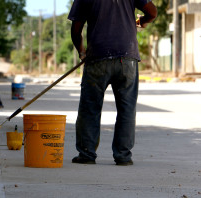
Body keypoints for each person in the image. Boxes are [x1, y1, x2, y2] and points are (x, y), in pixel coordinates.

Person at [68, 0, 157, 165]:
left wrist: (82, 51)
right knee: (127, 109)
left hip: (97, 58)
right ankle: (123, 156)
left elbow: (76, 29)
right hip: (127, 58)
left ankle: (86, 154)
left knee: (90, 108)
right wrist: (141, 22)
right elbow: (152, 12)